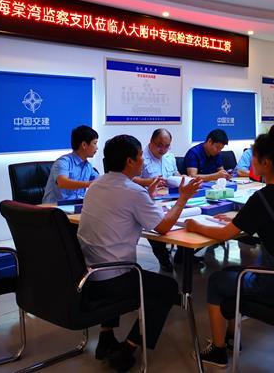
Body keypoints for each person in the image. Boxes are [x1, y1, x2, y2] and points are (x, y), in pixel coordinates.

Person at [77, 135, 202, 371]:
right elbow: (163, 227)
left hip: (88, 274)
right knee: (167, 288)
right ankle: (128, 348)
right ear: (129, 161)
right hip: (113, 279)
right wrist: (183, 199)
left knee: (119, 264)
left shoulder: (96, 185)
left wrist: (148, 198)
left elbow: (121, 212)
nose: (142, 160)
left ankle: (106, 337)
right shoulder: (132, 191)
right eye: (140, 156)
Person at [185, 124, 274, 368]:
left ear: (265, 163)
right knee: (231, 274)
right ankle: (230, 337)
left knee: (217, 282)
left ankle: (218, 351)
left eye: (255, 157)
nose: (251, 162)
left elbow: (224, 234)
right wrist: (234, 220)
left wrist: (195, 225)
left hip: (271, 279)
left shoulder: (262, 197)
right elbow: (259, 222)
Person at [138, 128, 181, 272]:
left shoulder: (170, 157)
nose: (163, 150)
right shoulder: (140, 157)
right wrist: (148, 181)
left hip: (169, 198)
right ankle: (164, 259)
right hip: (147, 200)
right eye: (159, 145)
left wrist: (181, 179)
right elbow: (130, 179)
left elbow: (176, 174)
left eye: (167, 146)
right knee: (155, 222)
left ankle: (182, 255)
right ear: (151, 142)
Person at [42, 125, 99, 204]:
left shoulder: (88, 166)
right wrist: (88, 184)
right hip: (55, 207)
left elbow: (99, 180)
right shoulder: (63, 162)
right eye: (95, 143)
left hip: (76, 205)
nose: (97, 148)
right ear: (84, 145)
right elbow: (62, 182)